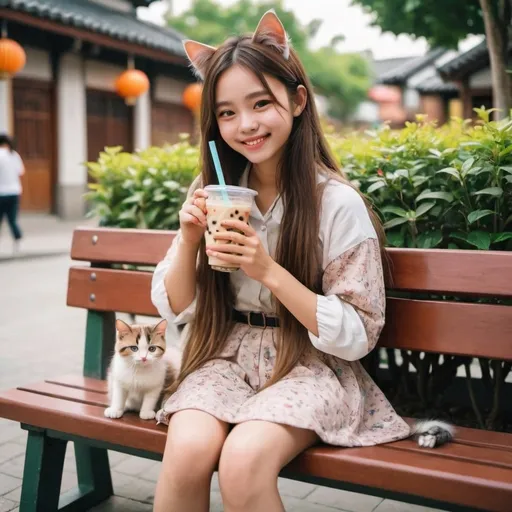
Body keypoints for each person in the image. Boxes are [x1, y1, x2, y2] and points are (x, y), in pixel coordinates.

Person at [151, 10, 452, 512]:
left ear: (296, 100)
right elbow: (176, 307)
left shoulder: (335, 203)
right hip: (225, 357)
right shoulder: (214, 192)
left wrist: (267, 268)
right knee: (185, 451)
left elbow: (357, 332)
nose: (244, 125)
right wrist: (187, 239)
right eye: (226, 113)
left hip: (309, 366)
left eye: (260, 103)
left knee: (244, 461)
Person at [0, 133, 24, 254]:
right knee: (12, 220)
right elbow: (21, 172)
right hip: (14, 191)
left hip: (1, 192)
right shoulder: (14, 155)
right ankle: (18, 241)